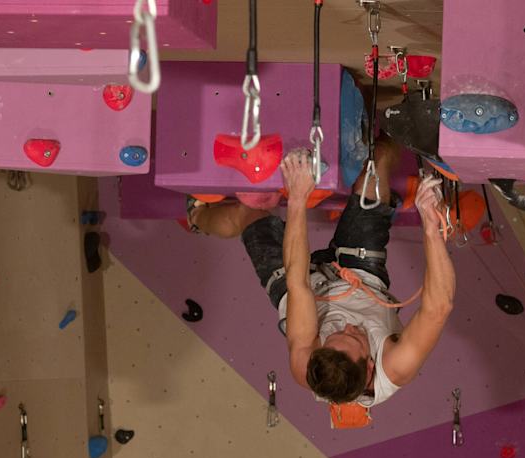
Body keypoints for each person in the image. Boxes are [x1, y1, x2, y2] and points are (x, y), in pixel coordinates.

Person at [185, 137, 456, 410]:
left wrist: (298, 198)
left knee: (249, 214)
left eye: (334, 335)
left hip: (303, 290)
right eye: (353, 337)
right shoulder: (395, 366)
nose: (348, 326)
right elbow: (439, 307)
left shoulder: (305, 362)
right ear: (371, 365)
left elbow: (298, 281)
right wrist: (431, 229)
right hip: (361, 279)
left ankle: (196, 218)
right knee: (380, 157)